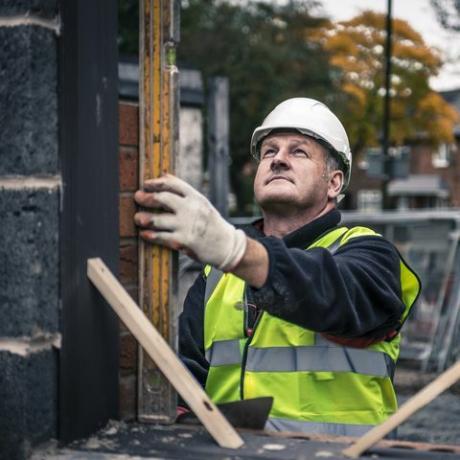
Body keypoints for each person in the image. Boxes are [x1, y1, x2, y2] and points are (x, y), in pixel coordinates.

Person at [134, 97, 421, 436]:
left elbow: (329, 292)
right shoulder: (217, 276)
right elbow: (187, 375)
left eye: (298, 152)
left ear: (334, 183)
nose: (279, 160)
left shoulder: (370, 254)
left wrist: (234, 249)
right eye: (269, 151)